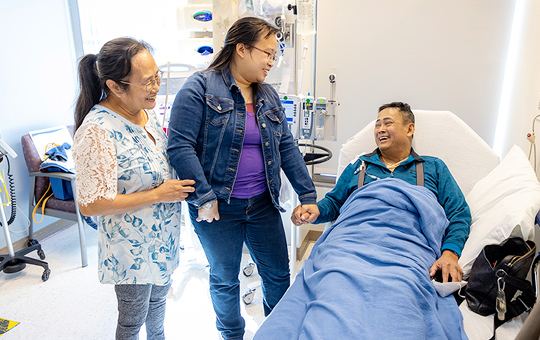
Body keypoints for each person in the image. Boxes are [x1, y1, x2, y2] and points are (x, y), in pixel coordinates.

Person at [167, 17, 317, 340]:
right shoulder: (200, 88)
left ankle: (278, 331)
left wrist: (308, 195)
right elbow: (179, 147)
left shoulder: (269, 97)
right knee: (224, 277)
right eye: (267, 53)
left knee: (278, 274)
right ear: (241, 49)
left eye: (274, 55)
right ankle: (231, 335)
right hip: (218, 208)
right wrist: (204, 198)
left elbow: (286, 147)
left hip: (262, 204)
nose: (272, 62)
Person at [72, 37, 195, 340]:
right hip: (131, 250)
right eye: (147, 81)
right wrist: (158, 194)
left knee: (158, 308)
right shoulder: (97, 131)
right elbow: (91, 204)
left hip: (162, 238)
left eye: (157, 76)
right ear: (115, 86)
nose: (156, 86)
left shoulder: (145, 113)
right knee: (132, 321)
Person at [292, 102, 471, 283]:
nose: (380, 129)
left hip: (408, 251)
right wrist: (315, 211)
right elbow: (334, 203)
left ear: (409, 129)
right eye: (377, 124)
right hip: (351, 245)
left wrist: (450, 253)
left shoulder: (433, 167)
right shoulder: (359, 166)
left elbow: (459, 213)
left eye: (387, 123)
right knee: (330, 281)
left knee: (403, 291)